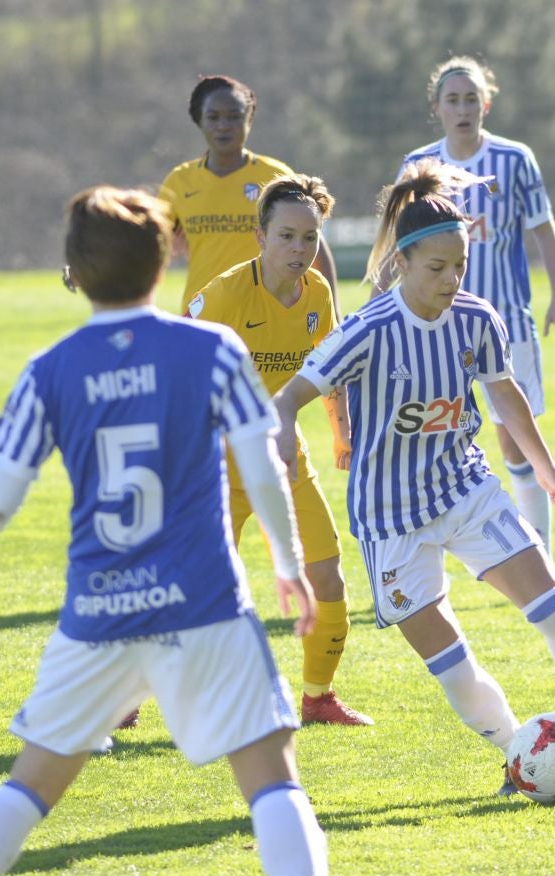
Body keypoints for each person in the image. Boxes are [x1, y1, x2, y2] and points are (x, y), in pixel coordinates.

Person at [0, 186, 329, 876]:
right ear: (164, 260)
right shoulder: (213, 348)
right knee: (272, 778)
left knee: (29, 786)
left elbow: (1, 493)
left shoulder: (51, 368)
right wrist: (287, 562)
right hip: (206, 604)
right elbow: (262, 464)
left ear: (76, 271)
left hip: (99, 613)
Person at [281, 159, 555, 792]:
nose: (452, 279)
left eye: (460, 265)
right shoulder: (367, 331)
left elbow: (504, 392)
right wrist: (281, 435)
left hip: (466, 491)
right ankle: (518, 755)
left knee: (552, 608)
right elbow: (288, 397)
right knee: (449, 660)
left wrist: (546, 467)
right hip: (391, 519)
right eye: (437, 267)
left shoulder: (478, 319)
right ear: (402, 262)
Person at [375, 55, 555, 555]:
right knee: (427, 431)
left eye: (472, 99)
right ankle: (421, 547)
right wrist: (376, 302)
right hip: (435, 324)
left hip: (507, 321)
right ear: (437, 108)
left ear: (486, 105)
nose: (463, 108)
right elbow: (396, 240)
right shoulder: (419, 164)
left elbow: (543, 228)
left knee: (516, 439)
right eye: (453, 100)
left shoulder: (514, 159)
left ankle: (539, 553)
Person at [188, 173, 370, 726]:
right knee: (193, 589)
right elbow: (178, 370)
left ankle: (318, 697)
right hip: (214, 468)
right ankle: (128, 695)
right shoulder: (223, 295)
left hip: (284, 463)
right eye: (287, 236)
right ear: (261, 236)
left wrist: (341, 432)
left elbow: (329, 368)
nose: (299, 249)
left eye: (310, 238)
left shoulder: (317, 293)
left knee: (327, 574)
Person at [160, 74, 339, 313]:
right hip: (202, 313)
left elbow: (311, 239)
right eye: (213, 117)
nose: (223, 125)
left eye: (234, 116)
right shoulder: (179, 181)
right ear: (199, 120)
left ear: (249, 119)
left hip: (264, 312)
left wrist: (334, 312)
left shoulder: (274, 175)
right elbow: (153, 245)